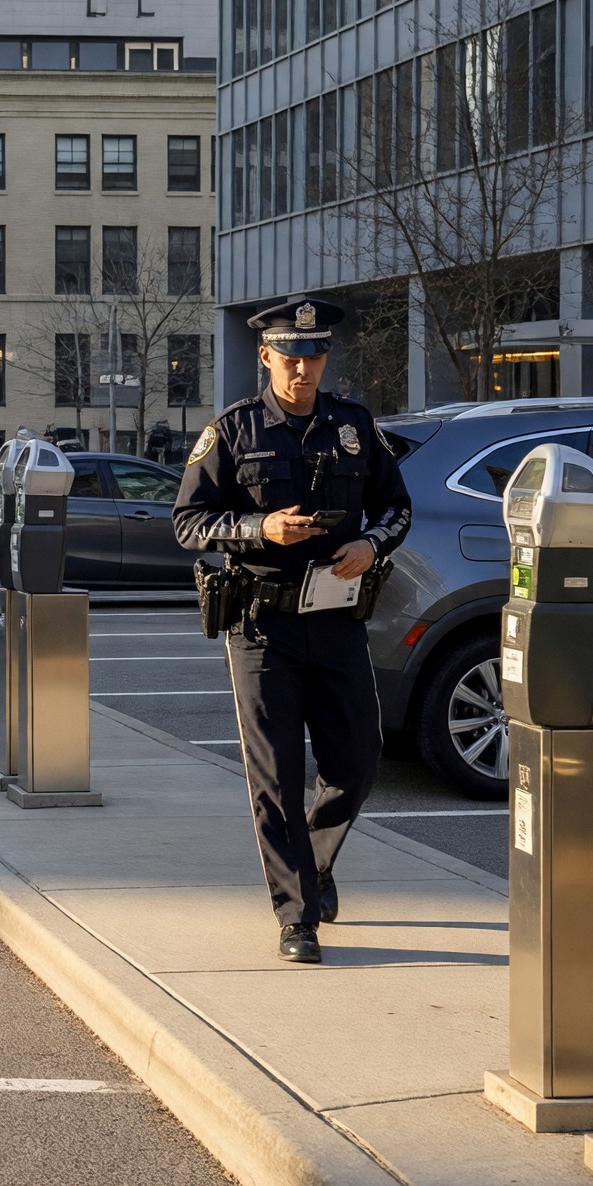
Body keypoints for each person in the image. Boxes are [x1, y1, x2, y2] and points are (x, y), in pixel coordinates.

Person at [172, 295, 413, 964]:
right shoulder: (234, 430)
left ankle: (314, 860)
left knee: (358, 759)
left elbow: (396, 508)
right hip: (260, 626)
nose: (303, 368)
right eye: (290, 357)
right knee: (276, 776)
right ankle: (296, 916)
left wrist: (371, 544)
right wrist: (259, 528)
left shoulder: (354, 426)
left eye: (314, 355)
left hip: (336, 619)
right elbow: (188, 522)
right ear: (266, 357)